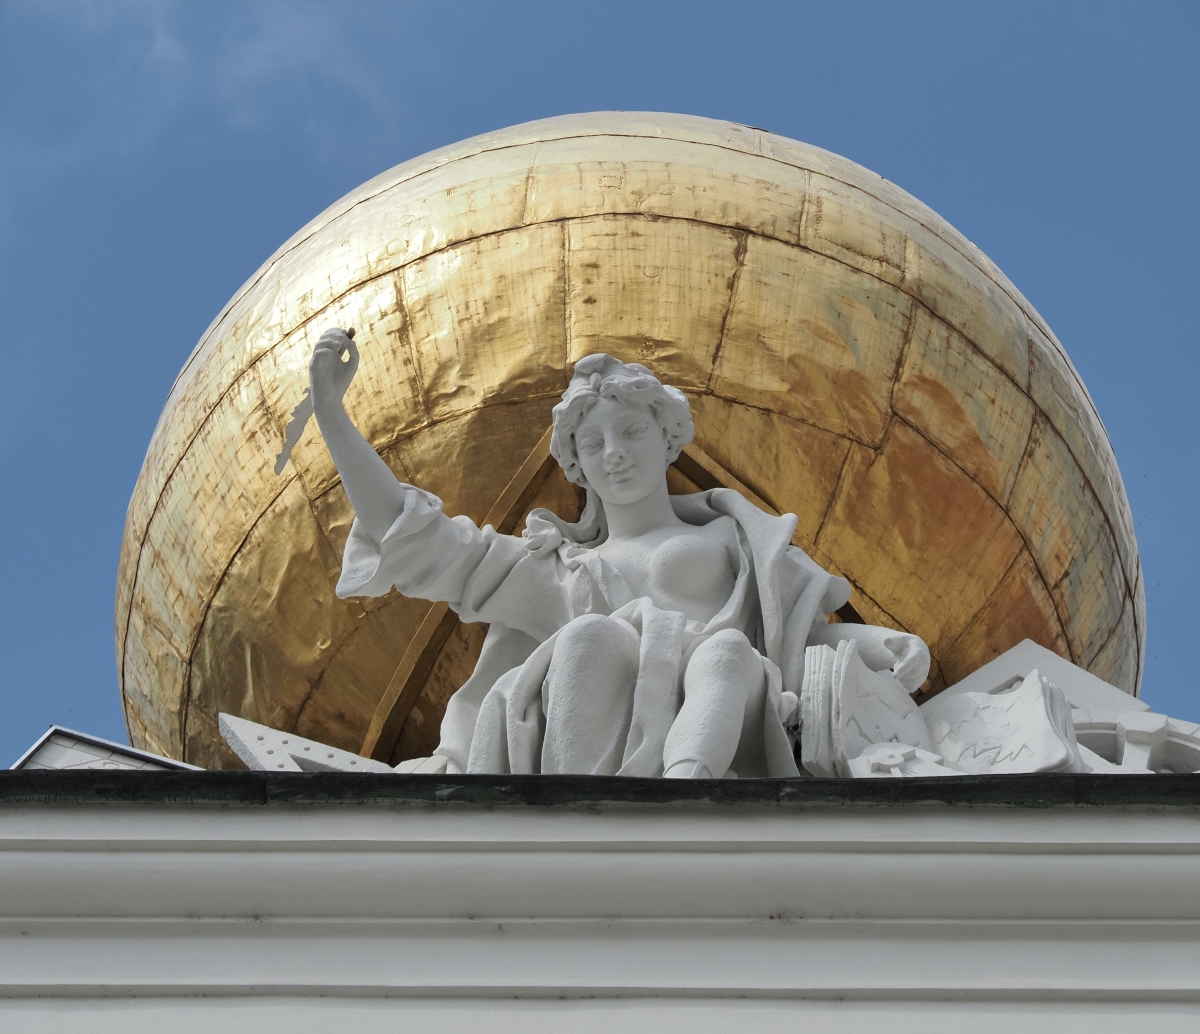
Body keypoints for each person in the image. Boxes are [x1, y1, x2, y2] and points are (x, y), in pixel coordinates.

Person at [310, 330, 929, 777]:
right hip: (591, 738)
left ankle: (685, 807)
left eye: (632, 431)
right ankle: (588, 827)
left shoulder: (738, 540)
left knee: (725, 653)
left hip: (734, 725)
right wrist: (332, 417)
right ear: (576, 465)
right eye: (593, 443)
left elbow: (804, 635)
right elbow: (421, 543)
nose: (615, 453)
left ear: (667, 439)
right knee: (590, 638)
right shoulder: (558, 571)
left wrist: (883, 643)